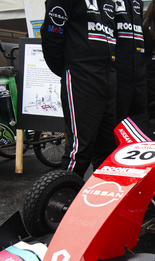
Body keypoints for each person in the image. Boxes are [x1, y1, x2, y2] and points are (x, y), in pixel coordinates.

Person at [41, 0, 117, 178]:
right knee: (80, 151)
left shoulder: (110, 2)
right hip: (81, 77)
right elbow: (51, 38)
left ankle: (100, 197)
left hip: (109, 79)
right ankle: (63, 198)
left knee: (107, 149)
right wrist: (73, 69)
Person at [114, 0, 147, 122]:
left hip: (139, 80)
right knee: (118, 123)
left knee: (140, 123)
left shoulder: (138, 2)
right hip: (119, 78)